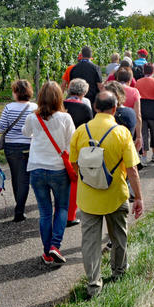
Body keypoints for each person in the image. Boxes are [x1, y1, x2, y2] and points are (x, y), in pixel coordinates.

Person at [69, 91, 144, 298]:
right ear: (114, 109)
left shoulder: (80, 131)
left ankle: (94, 284)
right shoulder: (121, 133)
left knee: (90, 242)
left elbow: (74, 163)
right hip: (116, 194)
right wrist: (138, 197)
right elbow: (132, 169)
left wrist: (90, 177)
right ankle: (118, 272)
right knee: (119, 236)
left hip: (88, 196)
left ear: (94, 107)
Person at [22, 81, 76, 264]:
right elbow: (72, 142)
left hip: (36, 167)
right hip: (58, 169)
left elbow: (25, 133)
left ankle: (47, 252)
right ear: (59, 97)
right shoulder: (65, 119)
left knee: (45, 212)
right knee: (61, 207)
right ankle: (55, 245)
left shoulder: (32, 117)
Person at [0, 80, 37, 222]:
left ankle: (18, 206)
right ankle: (19, 209)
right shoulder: (34, 107)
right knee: (24, 178)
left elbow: (0, 128)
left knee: (15, 176)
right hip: (28, 146)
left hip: (11, 147)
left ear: (16, 92)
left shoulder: (9, 107)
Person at [62, 78, 92, 227]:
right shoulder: (85, 108)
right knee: (75, 180)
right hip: (78, 148)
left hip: (61, 147)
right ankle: (70, 214)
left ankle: (60, 211)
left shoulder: (61, 105)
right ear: (84, 92)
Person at [136, 63, 154, 163]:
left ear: (144, 71)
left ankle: (144, 156)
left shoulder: (138, 82)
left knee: (143, 133)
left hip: (142, 108)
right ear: (153, 71)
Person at [115, 68, 143, 147]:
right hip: (129, 125)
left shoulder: (111, 90)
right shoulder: (134, 91)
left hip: (113, 124)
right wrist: (139, 136)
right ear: (130, 80)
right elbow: (138, 115)